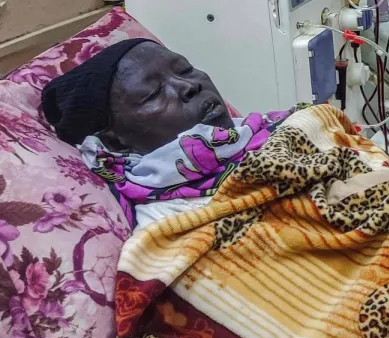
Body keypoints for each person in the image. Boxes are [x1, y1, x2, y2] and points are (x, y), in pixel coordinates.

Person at [41, 39, 287, 227]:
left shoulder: (280, 125)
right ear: (115, 142)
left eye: (185, 69)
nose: (190, 85)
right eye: (153, 93)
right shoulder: (171, 221)